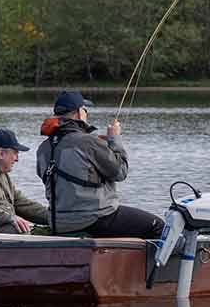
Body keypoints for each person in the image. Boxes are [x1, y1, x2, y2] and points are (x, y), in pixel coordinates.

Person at [36, 90, 163, 238]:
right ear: (79, 113)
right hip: (94, 219)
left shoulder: (42, 149)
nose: (86, 114)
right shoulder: (89, 142)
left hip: (58, 223)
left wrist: (101, 145)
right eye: (85, 110)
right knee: (158, 227)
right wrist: (114, 139)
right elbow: (121, 172)